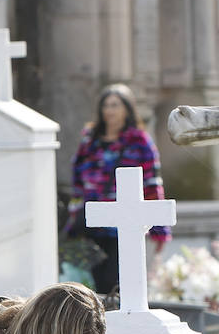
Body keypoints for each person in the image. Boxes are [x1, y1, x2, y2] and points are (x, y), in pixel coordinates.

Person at [65, 84, 171, 294]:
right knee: (94, 284)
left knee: (117, 281)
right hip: (93, 223)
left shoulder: (139, 142)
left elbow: (151, 182)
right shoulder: (90, 141)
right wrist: (74, 217)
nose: (109, 110)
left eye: (115, 105)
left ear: (127, 109)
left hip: (124, 222)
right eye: (106, 105)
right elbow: (77, 181)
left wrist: (159, 228)